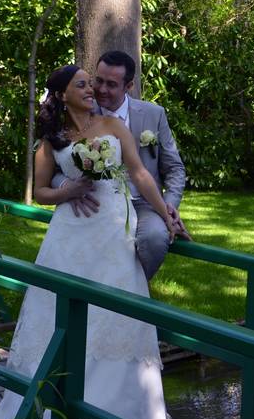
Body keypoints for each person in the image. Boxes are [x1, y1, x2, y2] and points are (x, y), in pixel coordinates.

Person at [0, 64, 174, 419]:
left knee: (116, 311)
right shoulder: (52, 140)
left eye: (92, 84)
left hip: (113, 231)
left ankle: (126, 411)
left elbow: (139, 173)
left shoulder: (112, 127)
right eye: (82, 85)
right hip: (71, 235)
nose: (92, 90)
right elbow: (41, 191)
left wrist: (167, 218)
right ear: (61, 94)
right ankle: (50, 408)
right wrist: (67, 192)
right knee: (59, 312)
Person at [58, 50, 190, 283]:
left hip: (145, 202)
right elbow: (58, 163)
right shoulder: (81, 112)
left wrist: (168, 207)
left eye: (111, 84)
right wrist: (68, 187)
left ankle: (131, 294)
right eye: (98, 80)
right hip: (97, 202)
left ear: (128, 85)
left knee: (155, 238)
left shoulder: (153, 114)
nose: (101, 89)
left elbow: (175, 168)